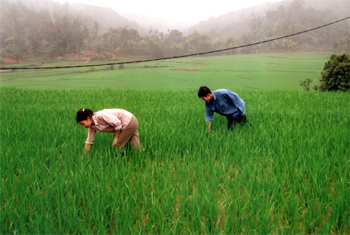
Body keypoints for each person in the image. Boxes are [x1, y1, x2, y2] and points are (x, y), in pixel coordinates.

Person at [76, 108, 142, 153]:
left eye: (83, 124)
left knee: (117, 145)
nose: (83, 126)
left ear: (88, 118)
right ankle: (145, 158)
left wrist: (116, 138)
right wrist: (84, 156)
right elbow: (89, 141)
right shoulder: (92, 127)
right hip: (130, 120)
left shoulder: (100, 116)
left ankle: (120, 161)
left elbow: (117, 123)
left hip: (128, 122)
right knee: (136, 146)